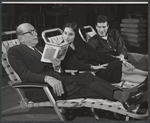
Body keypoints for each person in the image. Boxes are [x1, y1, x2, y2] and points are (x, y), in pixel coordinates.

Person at [8, 23, 147, 112]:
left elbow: (54, 68)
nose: (35, 33)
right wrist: (48, 78)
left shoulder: (40, 48)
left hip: (60, 80)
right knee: (87, 82)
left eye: (34, 30)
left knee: (88, 81)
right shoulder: (15, 51)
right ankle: (126, 94)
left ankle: (124, 95)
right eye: (30, 32)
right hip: (41, 89)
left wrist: (56, 66)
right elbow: (25, 74)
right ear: (21, 38)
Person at [60, 22, 147, 84]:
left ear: (75, 35)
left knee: (117, 63)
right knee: (122, 75)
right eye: (65, 33)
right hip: (85, 73)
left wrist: (121, 61)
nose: (66, 37)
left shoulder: (79, 43)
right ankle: (147, 79)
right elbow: (73, 64)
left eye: (70, 34)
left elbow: (97, 54)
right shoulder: (61, 49)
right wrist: (92, 67)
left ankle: (147, 74)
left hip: (95, 67)